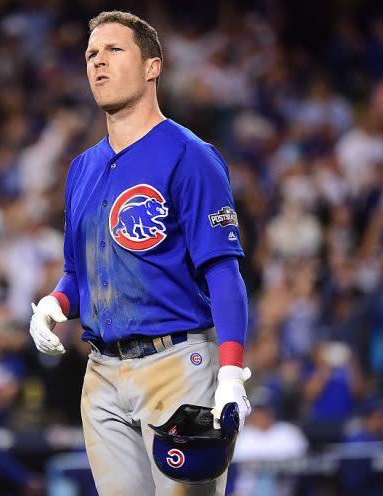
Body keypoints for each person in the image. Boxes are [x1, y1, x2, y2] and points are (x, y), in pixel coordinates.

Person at [28, 11, 250, 496]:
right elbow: (77, 272)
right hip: (101, 373)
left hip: (176, 368)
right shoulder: (82, 168)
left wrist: (232, 371)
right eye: (90, 55)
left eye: (113, 50)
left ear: (153, 67)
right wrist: (56, 304)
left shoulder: (190, 155)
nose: (98, 63)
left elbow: (223, 271)